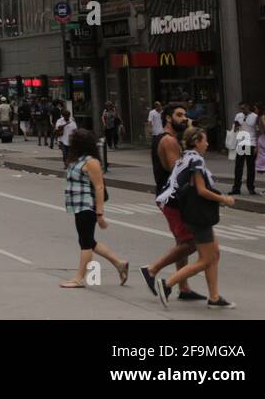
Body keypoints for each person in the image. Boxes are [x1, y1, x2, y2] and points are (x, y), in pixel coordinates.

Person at [153, 128, 235, 308]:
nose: (207, 144)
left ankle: (214, 297)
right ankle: (167, 284)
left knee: (214, 254)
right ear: (196, 141)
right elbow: (201, 190)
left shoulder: (185, 156)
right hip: (197, 213)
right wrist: (224, 199)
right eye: (204, 140)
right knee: (206, 259)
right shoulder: (196, 159)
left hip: (188, 210)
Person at [139, 103, 204, 302]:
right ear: (168, 118)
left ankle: (183, 288)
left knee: (181, 241)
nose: (184, 118)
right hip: (173, 198)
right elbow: (178, 171)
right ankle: (152, 270)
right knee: (191, 242)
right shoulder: (168, 141)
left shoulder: (172, 139)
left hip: (172, 196)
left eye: (185, 114)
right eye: (179, 115)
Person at [60, 128, 129, 289]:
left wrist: (99, 214)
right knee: (89, 241)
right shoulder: (77, 160)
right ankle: (120, 264)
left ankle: (79, 278)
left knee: (85, 243)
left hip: (87, 206)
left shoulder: (91, 162)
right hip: (78, 206)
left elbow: (99, 187)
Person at [228, 102, 257, 195]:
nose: (242, 111)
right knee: (239, 166)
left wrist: (257, 145)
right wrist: (236, 126)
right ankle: (236, 188)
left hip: (250, 142)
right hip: (241, 142)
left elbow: (257, 130)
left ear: (248, 107)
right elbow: (235, 128)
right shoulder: (238, 115)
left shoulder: (254, 116)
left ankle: (250, 187)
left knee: (250, 166)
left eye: (244, 108)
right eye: (241, 109)